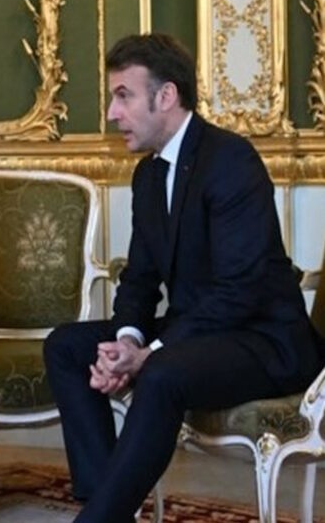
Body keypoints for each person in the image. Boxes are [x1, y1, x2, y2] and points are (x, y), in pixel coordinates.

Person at [44, 33, 325, 522]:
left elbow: (239, 292)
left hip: (262, 339)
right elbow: (139, 278)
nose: (111, 113)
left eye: (123, 96)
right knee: (67, 346)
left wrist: (150, 353)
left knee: (161, 372)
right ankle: (105, 505)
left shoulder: (231, 160)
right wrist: (126, 341)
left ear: (166, 96)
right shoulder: (148, 175)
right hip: (196, 334)